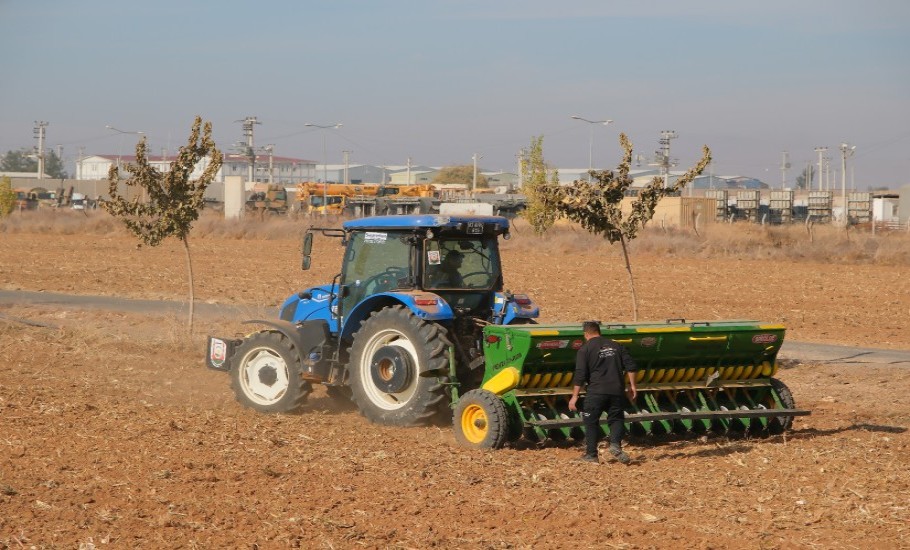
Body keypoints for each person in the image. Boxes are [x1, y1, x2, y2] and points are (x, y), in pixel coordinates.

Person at [569, 320, 638, 464]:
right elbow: (631, 366)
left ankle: (591, 455)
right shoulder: (616, 345)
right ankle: (615, 445)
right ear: (599, 331)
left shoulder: (585, 349)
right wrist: (632, 386)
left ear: (586, 334)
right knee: (616, 419)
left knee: (591, 421)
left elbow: (580, 375)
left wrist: (574, 396)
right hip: (617, 390)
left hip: (596, 391)